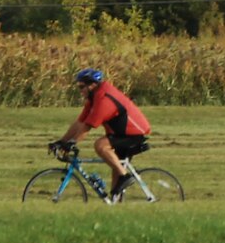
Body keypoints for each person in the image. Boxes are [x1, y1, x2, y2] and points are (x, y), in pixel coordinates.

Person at [53, 68, 152, 203]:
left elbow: (88, 127)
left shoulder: (105, 99)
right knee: (115, 176)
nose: (80, 90)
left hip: (134, 133)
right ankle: (116, 204)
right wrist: (61, 141)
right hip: (121, 134)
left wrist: (72, 142)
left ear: (92, 85)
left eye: (82, 87)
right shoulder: (94, 98)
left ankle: (125, 176)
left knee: (101, 145)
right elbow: (80, 122)